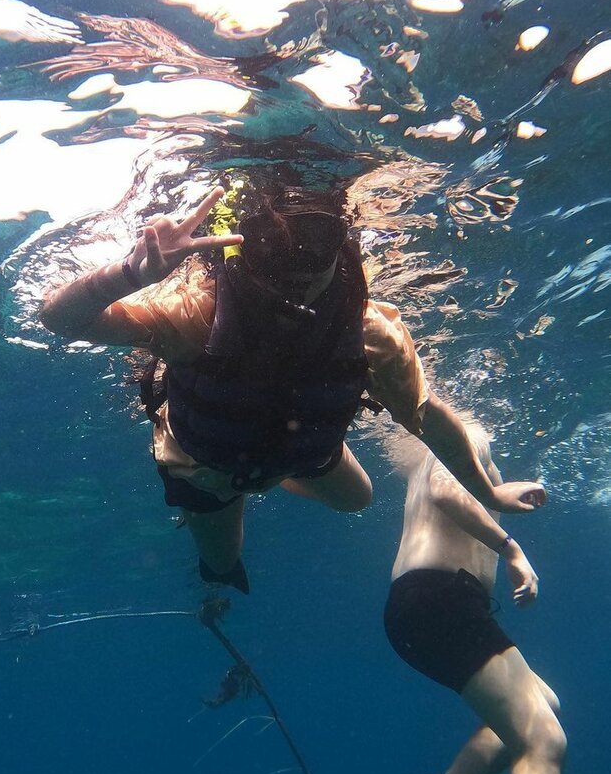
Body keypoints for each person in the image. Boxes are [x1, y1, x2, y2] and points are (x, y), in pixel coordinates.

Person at [40, 172, 545, 592]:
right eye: (274, 252)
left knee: (358, 499)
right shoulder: (195, 312)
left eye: (315, 247)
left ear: (341, 247)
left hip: (297, 454)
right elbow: (59, 319)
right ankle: (220, 571)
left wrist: (488, 493)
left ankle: (270, 473)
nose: (295, 272)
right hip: (207, 468)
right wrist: (129, 273)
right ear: (242, 249)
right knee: (222, 564)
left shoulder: (371, 334)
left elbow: (428, 418)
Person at [383, 424, 586, 774]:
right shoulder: (467, 430)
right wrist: (512, 549)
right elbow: (444, 489)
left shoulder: (439, 446)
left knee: (545, 704)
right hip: (440, 600)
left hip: (428, 605)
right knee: (543, 739)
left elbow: (452, 487)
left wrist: (499, 489)